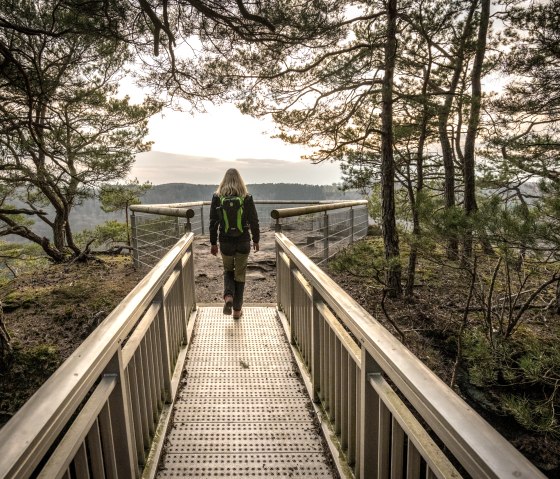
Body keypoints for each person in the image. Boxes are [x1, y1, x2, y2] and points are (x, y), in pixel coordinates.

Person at [209, 169, 260, 319]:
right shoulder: (246, 197)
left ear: (224, 181)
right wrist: (256, 239)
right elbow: (254, 220)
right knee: (240, 274)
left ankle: (228, 297)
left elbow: (213, 222)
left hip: (225, 242)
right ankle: (237, 311)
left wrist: (213, 243)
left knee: (228, 270)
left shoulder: (217, 197)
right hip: (243, 241)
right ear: (240, 181)